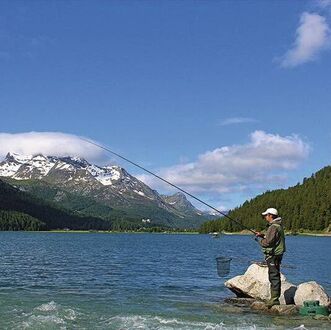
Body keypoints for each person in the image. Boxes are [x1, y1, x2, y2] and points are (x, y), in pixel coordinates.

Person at [255, 208, 286, 308]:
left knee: (273, 276)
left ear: (271, 216)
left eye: (266, 215)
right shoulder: (278, 225)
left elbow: (268, 243)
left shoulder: (273, 226)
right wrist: (262, 235)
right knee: (274, 274)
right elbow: (272, 238)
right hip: (277, 254)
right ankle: (274, 298)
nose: (265, 217)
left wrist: (259, 241)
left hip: (273, 255)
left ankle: (274, 299)